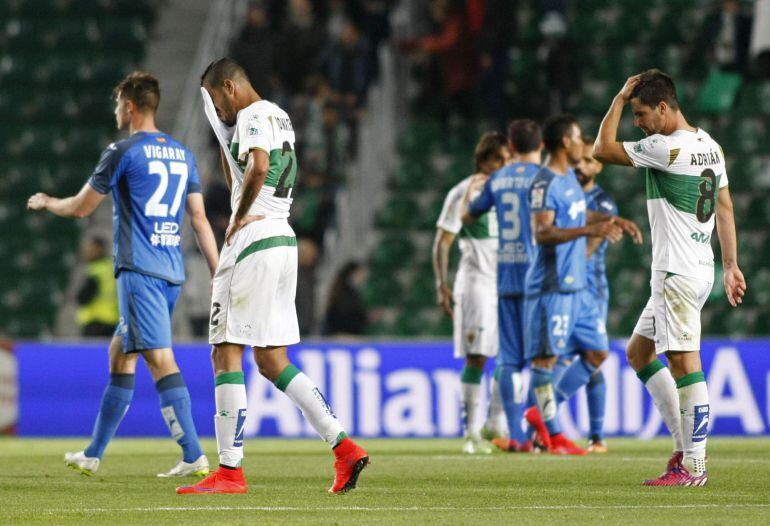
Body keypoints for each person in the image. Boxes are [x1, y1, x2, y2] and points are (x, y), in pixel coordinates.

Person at [180, 58, 368, 495]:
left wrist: (236, 218)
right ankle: (343, 447)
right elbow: (245, 166)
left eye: (215, 100)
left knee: (225, 353)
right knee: (271, 360)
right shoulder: (280, 115)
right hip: (283, 239)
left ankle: (229, 472)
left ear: (229, 87)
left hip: (254, 239)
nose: (219, 110)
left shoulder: (250, 115)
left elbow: (260, 167)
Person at [26, 72, 219, 477]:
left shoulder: (123, 151)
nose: (116, 111)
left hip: (140, 269)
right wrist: (219, 272)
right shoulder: (183, 154)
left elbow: (81, 207)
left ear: (130, 107)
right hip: (171, 270)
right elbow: (199, 220)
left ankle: (193, 453)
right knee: (121, 355)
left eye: (118, 104)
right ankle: (94, 452)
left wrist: (48, 201)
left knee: (159, 358)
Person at [593, 69, 747, 485]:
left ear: (663, 108)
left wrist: (621, 96)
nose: (638, 123)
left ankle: (694, 466)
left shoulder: (665, 148)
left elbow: (600, 149)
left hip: (676, 272)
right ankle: (682, 448)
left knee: (684, 364)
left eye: (642, 114)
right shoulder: (709, 145)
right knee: (639, 353)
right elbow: (726, 206)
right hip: (697, 268)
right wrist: (730, 264)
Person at [522, 114, 642, 456]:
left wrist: (610, 219)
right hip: (552, 285)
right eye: (577, 139)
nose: (582, 145)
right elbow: (542, 232)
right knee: (545, 361)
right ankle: (553, 432)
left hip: (576, 288)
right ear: (565, 142)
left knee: (596, 352)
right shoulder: (544, 182)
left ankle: (542, 416)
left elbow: (577, 214)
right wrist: (590, 231)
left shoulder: (570, 183)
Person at [463, 119, 542, 453]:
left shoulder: (497, 180)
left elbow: (468, 215)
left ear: (511, 148)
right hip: (538, 277)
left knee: (509, 360)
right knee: (544, 359)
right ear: (540, 146)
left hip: (506, 276)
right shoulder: (545, 178)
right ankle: (541, 428)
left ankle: (517, 435)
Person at [432, 131, 510, 454]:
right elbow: (443, 241)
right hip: (476, 284)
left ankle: (495, 423)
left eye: (508, 160)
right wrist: (441, 283)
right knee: (477, 357)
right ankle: (470, 432)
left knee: (511, 356)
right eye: (499, 160)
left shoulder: (509, 193)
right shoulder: (463, 192)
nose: (504, 165)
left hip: (506, 284)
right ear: (484, 161)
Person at [556, 139, 617, 453]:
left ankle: (594, 435)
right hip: (570, 286)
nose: (581, 167)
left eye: (588, 163)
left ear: (598, 166)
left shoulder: (602, 204)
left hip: (589, 290)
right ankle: (546, 423)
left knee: (591, 360)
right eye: (578, 162)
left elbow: (590, 249)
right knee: (569, 358)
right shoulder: (565, 194)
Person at [76, 236, 119, 337]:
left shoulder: (96, 270)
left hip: (95, 321)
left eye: (90, 247)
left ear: (99, 248)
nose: (87, 251)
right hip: (113, 321)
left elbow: (84, 297)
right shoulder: (111, 267)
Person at [322, 261, 369, 336]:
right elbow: (345, 316)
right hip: (341, 335)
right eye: (361, 273)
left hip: (344, 334)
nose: (363, 277)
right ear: (353, 274)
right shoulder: (344, 293)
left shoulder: (349, 291)